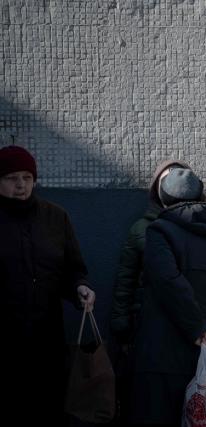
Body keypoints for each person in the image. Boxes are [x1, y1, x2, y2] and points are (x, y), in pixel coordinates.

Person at [130, 168, 206, 426]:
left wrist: (197, 329)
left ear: (164, 199)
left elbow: (168, 282)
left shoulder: (159, 231)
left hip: (162, 357)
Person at [0, 145, 96, 424]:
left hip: (47, 338)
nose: (21, 185)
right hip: (6, 339)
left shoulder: (55, 217)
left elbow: (72, 268)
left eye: (27, 177)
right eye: (12, 178)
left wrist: (80, 288)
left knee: (48, 406)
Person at [110, 159, 190, 425]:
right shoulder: (141, 229)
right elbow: (126, 279)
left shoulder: (201, 227)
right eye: (166, 180)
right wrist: (121, 323)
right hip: (144, 326)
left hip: (185, 329)